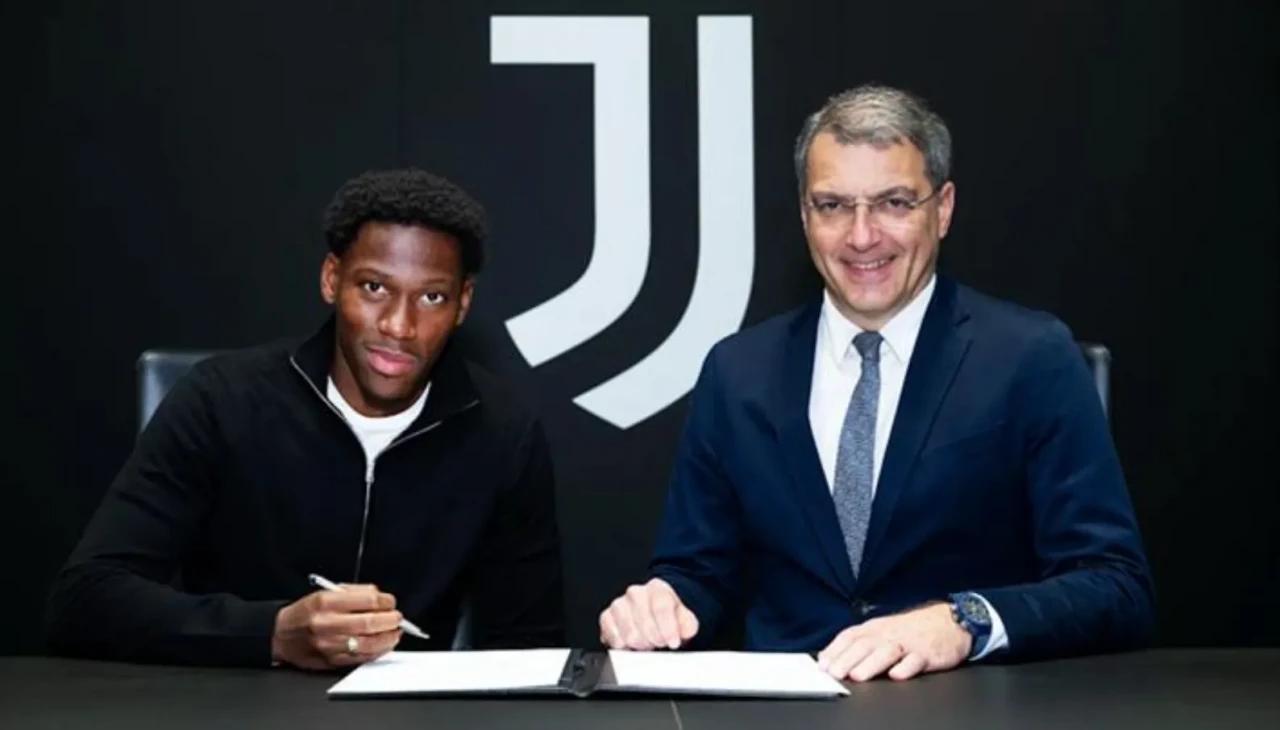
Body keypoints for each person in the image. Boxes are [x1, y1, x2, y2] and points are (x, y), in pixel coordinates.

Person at [599, 84, 1154, 682]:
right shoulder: (737, 372)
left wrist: (962, 621)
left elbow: (1115, 586)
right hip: (783, 714)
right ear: (805, 215)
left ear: (943, 209)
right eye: (833, 205)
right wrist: (660, 606)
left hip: (965, 709)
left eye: (893, 203)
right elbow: (697, 576)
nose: (862, 236)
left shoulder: (1031, 358)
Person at [45, 169, 565, 669]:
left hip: (410, 713)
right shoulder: (221, 400)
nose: (399, 326)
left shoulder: (502, 433)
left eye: (432, 297)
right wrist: (272, 633)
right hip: (228, 707)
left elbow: (530, 650)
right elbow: (85, 600)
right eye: (374, 288)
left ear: (462, 304)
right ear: (332, 279)